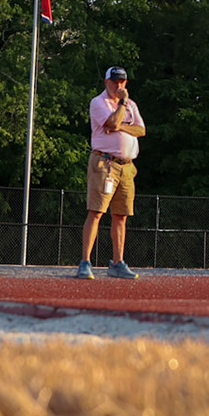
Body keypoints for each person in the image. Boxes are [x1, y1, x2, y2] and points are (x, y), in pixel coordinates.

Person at [78, 66, 144, 279]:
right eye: (115, 81)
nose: (119, 85)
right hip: (104, 163)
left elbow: (141, 130)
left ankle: (117, 263)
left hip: (127, 166)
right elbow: (113, 121)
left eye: (122, 82)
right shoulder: (99, 102)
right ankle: (85, 262)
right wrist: (122, 105)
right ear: (106, 82)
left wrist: (120, 127)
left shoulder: (132, 105)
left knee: (121, 216)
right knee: (96, 212)